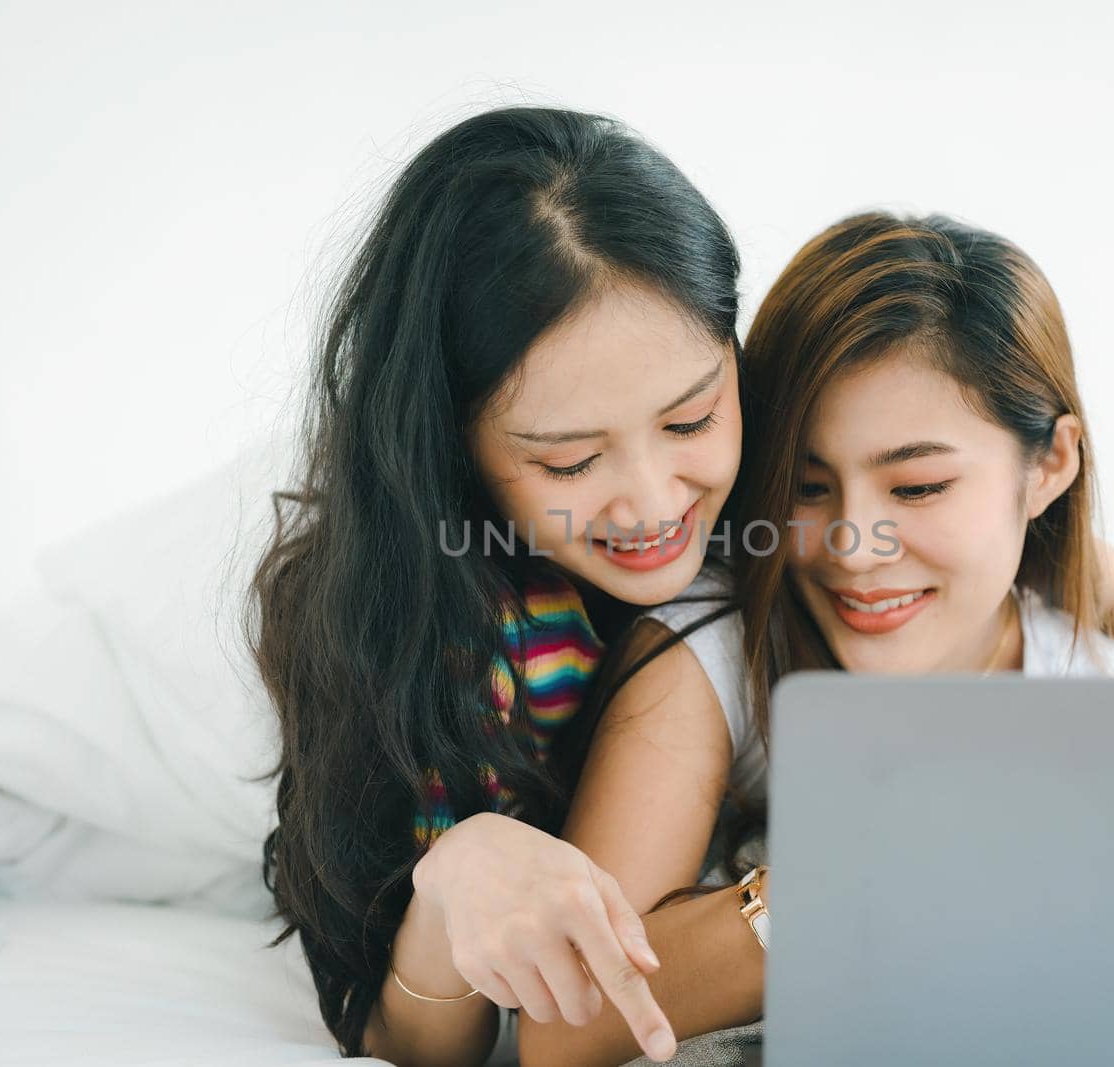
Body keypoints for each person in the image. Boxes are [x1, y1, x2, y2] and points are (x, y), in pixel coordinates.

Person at [527, 211, 1114, 1066]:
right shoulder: (715, 648)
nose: (853, 546)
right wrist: (844, 884)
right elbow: (566, 1028)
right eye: (809, 485)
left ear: (1048, 465)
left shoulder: (1093, 661)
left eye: (918, 487)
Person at [246, 105, 748, 1067]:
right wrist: (456, 872)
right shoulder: (414, 633)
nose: (652, 502)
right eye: (569, 461)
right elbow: (407, 1040)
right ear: (450, 443)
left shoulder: (803, 490)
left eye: (690, 421)